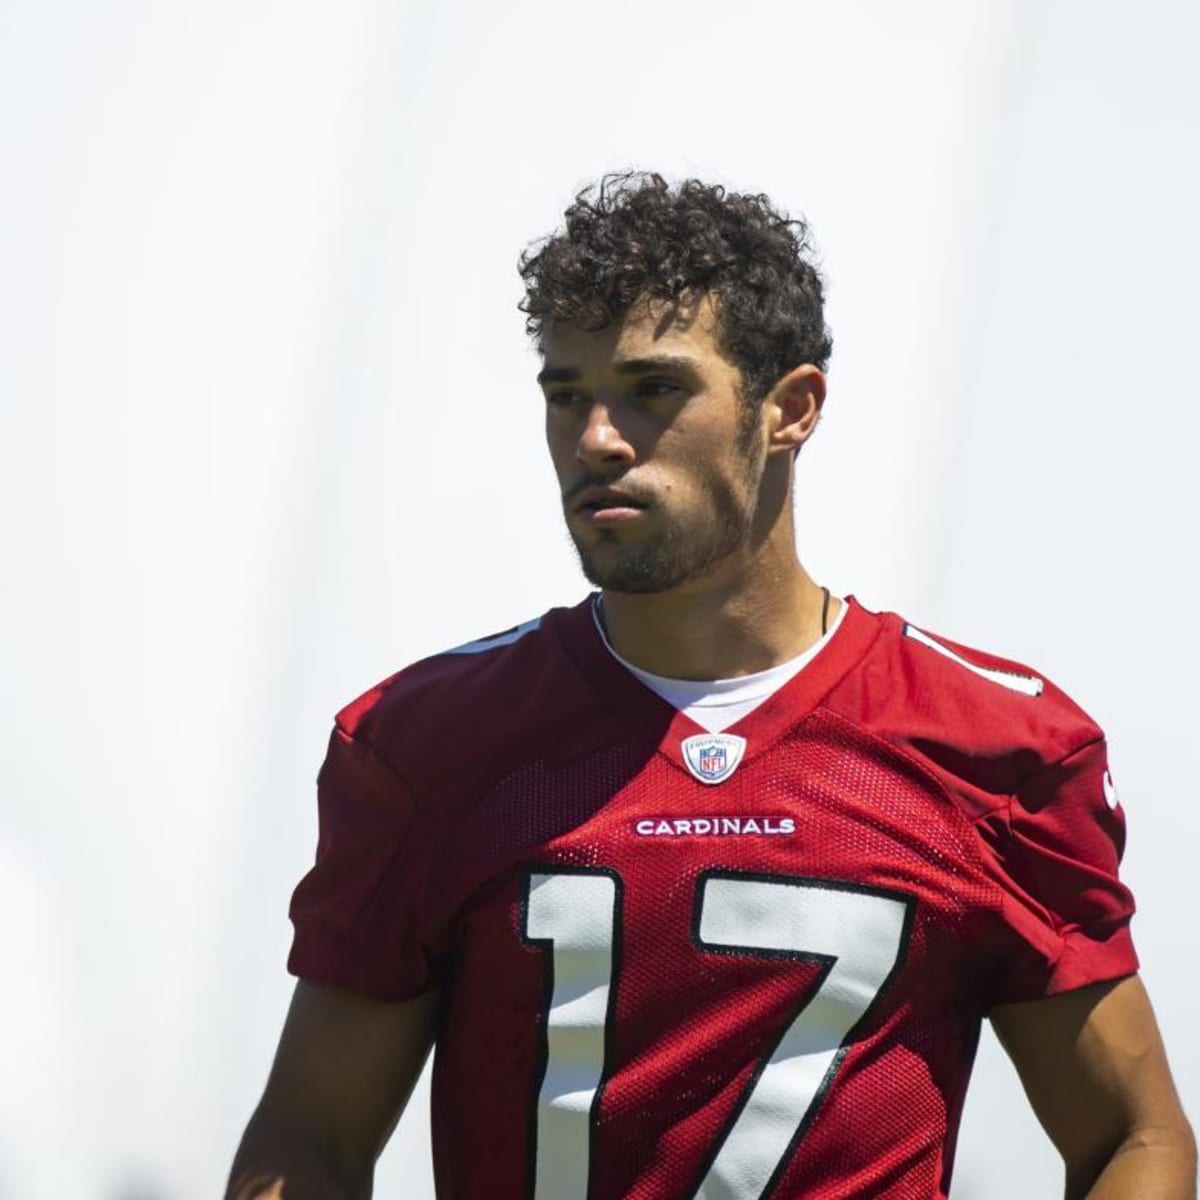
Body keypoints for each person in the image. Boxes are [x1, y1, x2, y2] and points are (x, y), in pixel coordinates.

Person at [226, 173, 1195, 1200]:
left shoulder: (992, 744)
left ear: (791, 409)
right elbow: (311, 1137)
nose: (596, 437)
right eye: (567, 394)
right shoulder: (429, 744)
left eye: (653, 390)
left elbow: (1134, 1137)